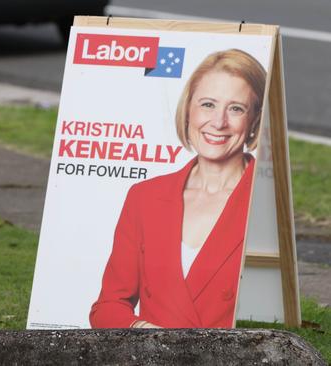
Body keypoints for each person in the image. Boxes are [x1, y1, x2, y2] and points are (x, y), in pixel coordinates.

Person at [90, 49, 267, 328]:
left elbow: (270, 315)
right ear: (187, 110)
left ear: (255, 119)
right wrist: (142, 332)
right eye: (208, 104)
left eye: (236, 108)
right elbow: (108, 306)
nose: (219, 122)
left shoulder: (266, 199)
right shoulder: (144, 197)